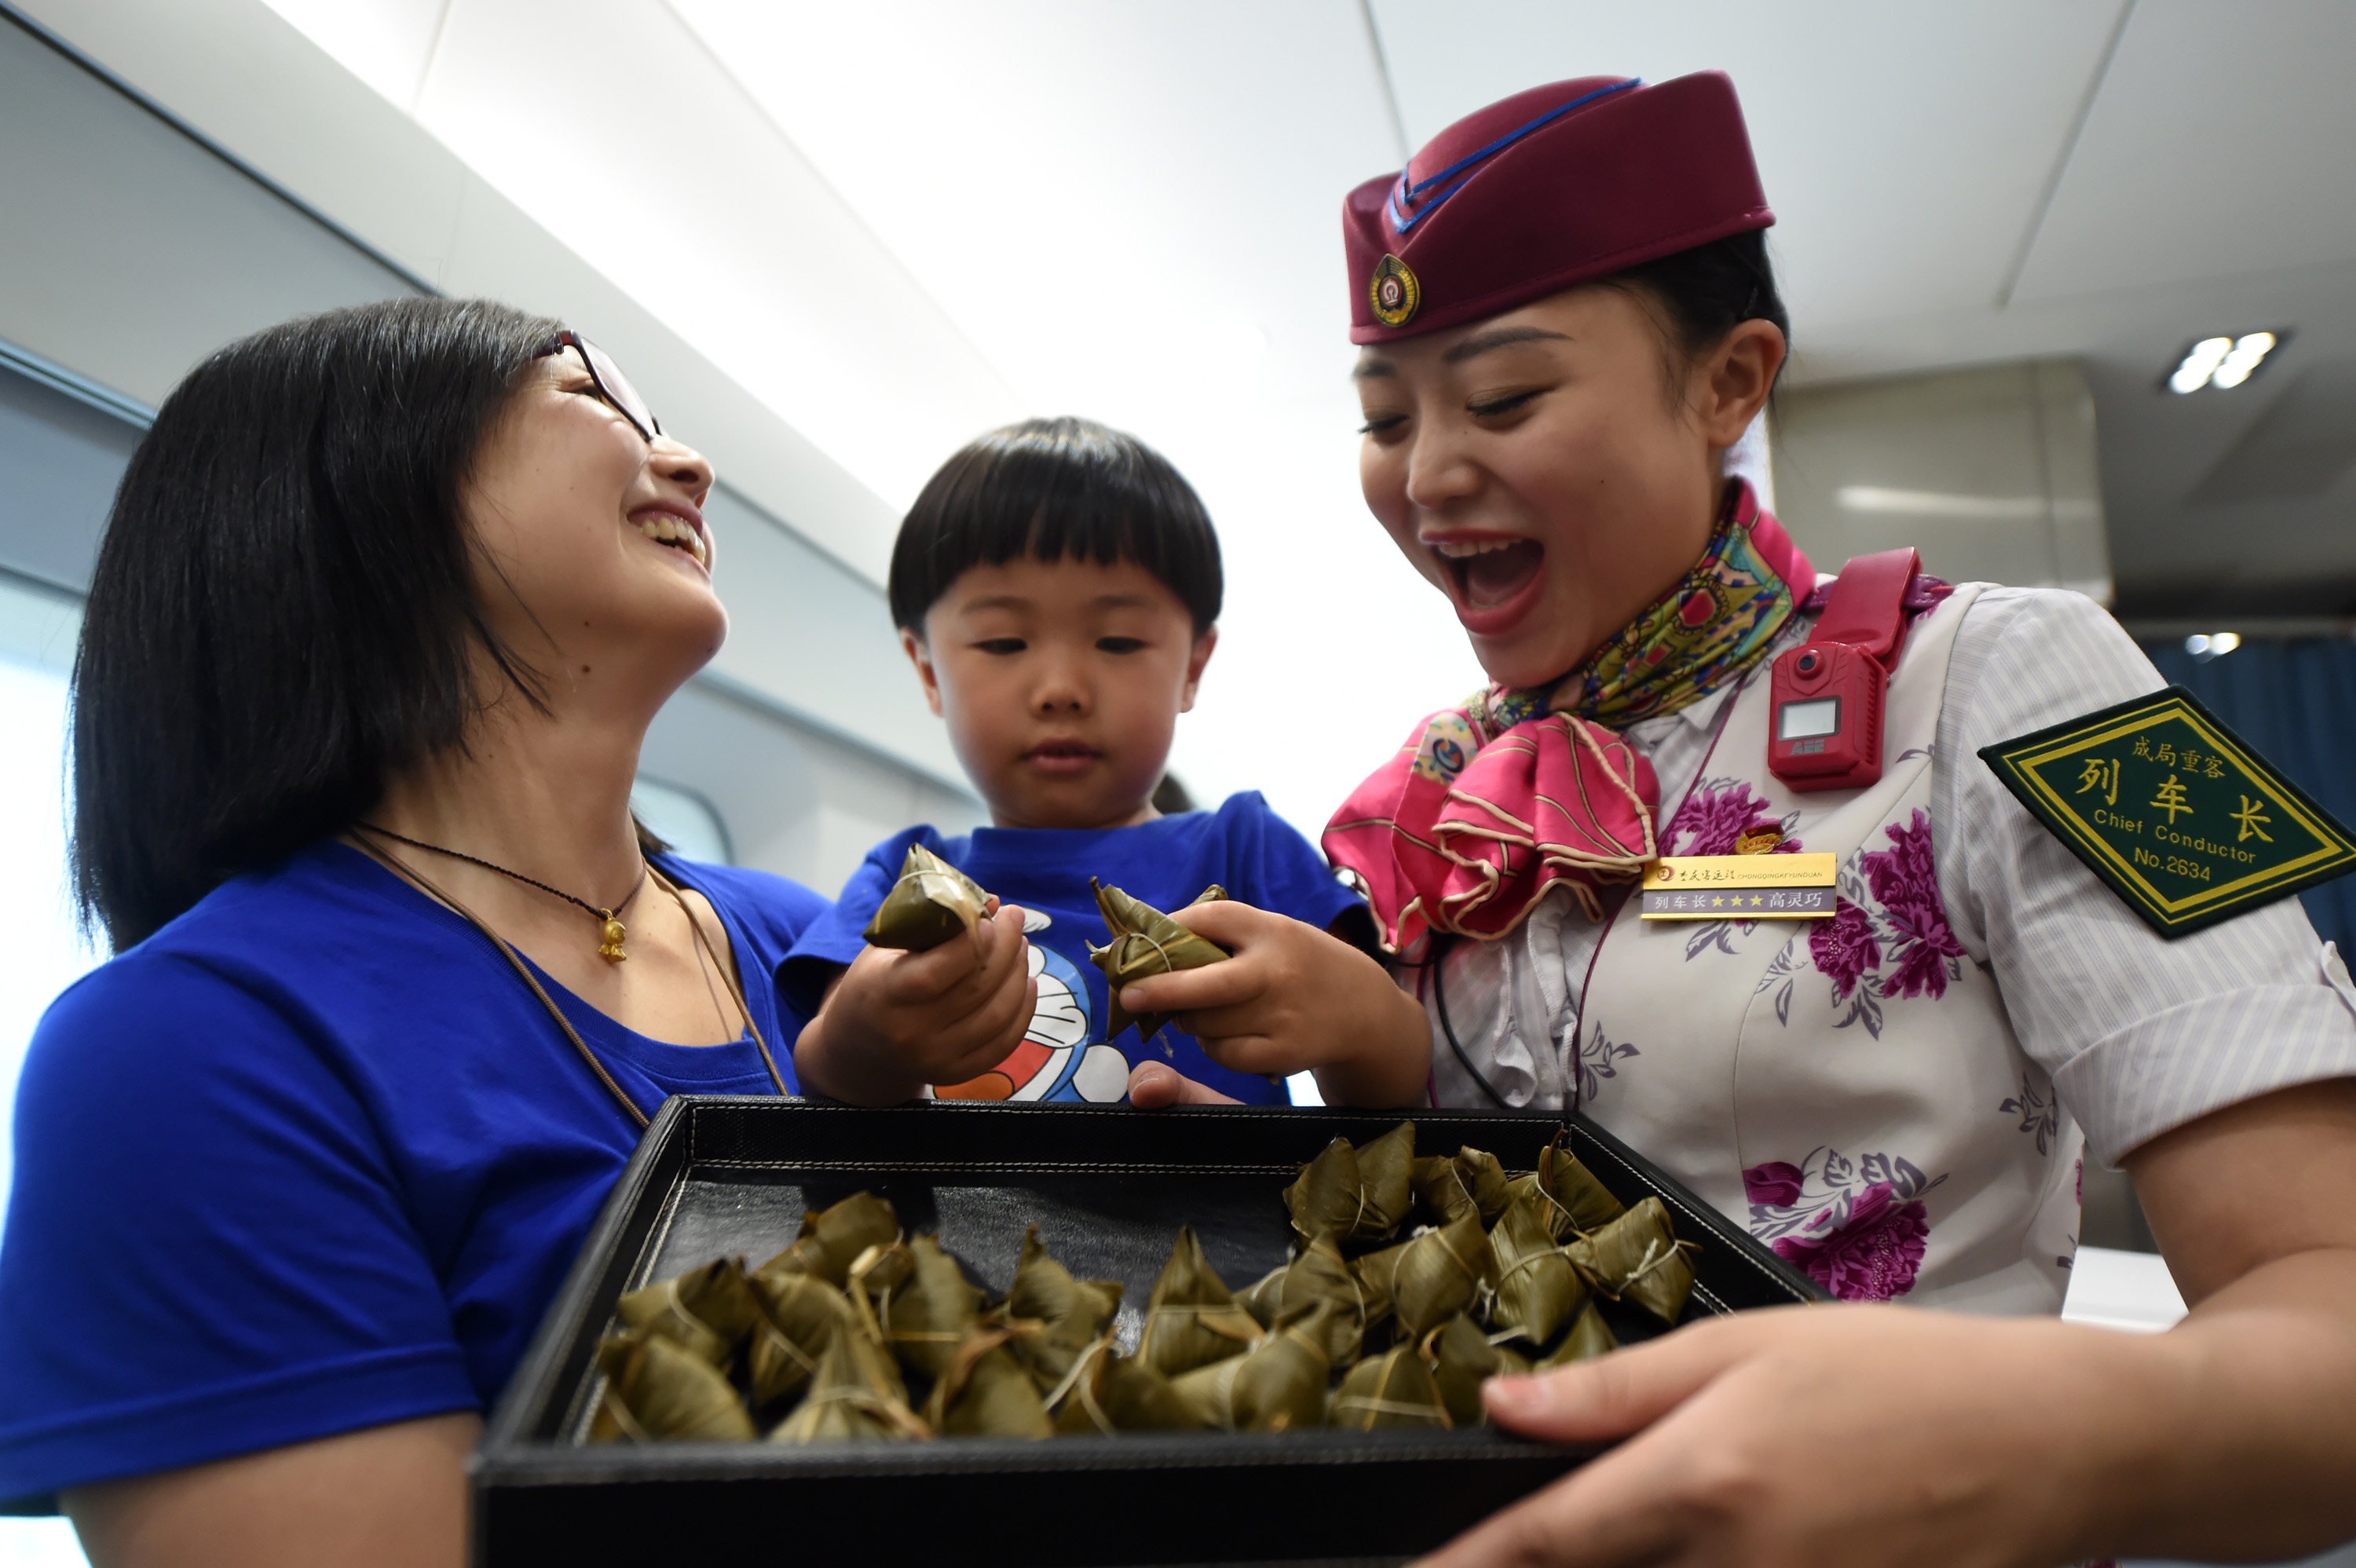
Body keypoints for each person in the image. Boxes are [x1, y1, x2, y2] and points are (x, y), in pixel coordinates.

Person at [1125, 72, 2356, 1563]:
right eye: (1388, 417)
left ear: (1730, 381)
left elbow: (2326, 1286)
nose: (1430, 471)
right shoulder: (1438, 785)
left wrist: (2062, 1436)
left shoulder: (2030, 678)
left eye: (1505, 397)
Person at [0, 298, 828, 1566]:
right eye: (591, 399)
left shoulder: (800, 940)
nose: (688, 464)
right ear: (361, 503)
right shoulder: (188, 1050)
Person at [783, 417, 1425, 1109]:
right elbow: (824, 1078)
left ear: (1192, 667)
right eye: (1003, 642)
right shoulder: (904, 876)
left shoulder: (1245, 849)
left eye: (1117, 642)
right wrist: (863, 1040)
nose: (1062, 689)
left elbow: (1397, 1088)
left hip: (1225, 1220)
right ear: (927, 670)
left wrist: (1363, 1019)